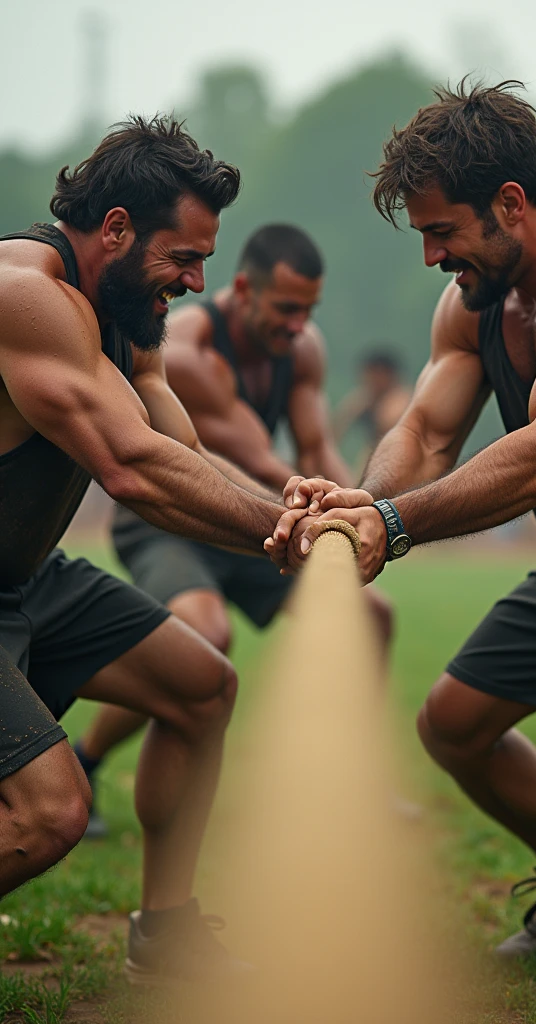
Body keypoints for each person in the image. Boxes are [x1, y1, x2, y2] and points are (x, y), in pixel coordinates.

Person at [268, 79, 536, 960]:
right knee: (453, 724)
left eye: (440, 231)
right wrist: (360, 509)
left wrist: (395, 521)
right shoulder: (474, 301)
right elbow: (423, 432)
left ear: (509, 203)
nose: (430, 256)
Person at [0, 115, 313, 985]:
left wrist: (285, 508)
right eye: (185, 257)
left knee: (200, 686)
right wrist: (279, 530)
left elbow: (167, 437)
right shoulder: (25, 293)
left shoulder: (124, 306)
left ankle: (167, 933)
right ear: (116, 230)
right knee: (49, 814)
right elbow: (132, 470)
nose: (200, 279)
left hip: (25, 576)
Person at [73, 224, 393, 837]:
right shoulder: (189, 350)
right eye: (286, 308)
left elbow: (315, 444)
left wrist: (357, 507)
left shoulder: (304, 349)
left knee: (373, 617)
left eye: (309, 311)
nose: (299, 324)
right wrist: (317, 511)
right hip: (170, 524)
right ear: (244, 289)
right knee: (204, 632)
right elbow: (260, 460)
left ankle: (348, 780)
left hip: (259, 516)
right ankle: (88, 762)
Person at [333, 350, 411, 452]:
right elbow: (336, 429)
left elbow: (386, 428)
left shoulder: (401, 399)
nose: (368, 380)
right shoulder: (363, 398)